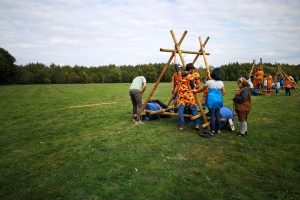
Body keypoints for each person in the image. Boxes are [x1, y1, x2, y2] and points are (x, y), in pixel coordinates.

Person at [195, 68, 225, 136]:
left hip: (211, 100)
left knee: (212, 115)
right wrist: (219, 96)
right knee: (217, 115)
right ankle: (218, 130)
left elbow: (201, 90)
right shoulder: (221, 83)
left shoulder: (209, 82)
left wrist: (195, 91)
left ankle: (212, 130)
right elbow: (224, 92)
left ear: (213, 74)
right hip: (219, 100)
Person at [177, 63, 200, 130]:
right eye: (192, 69)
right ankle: (197, 124)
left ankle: (181, 125)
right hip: (189, 95)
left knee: (181, 110)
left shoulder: (179, 74)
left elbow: (176, 67)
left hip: (181, 94)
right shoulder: (190, 76)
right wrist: (195, 86)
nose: (193, 70)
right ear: (190, 69)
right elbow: (193, 86)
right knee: (193, 109)